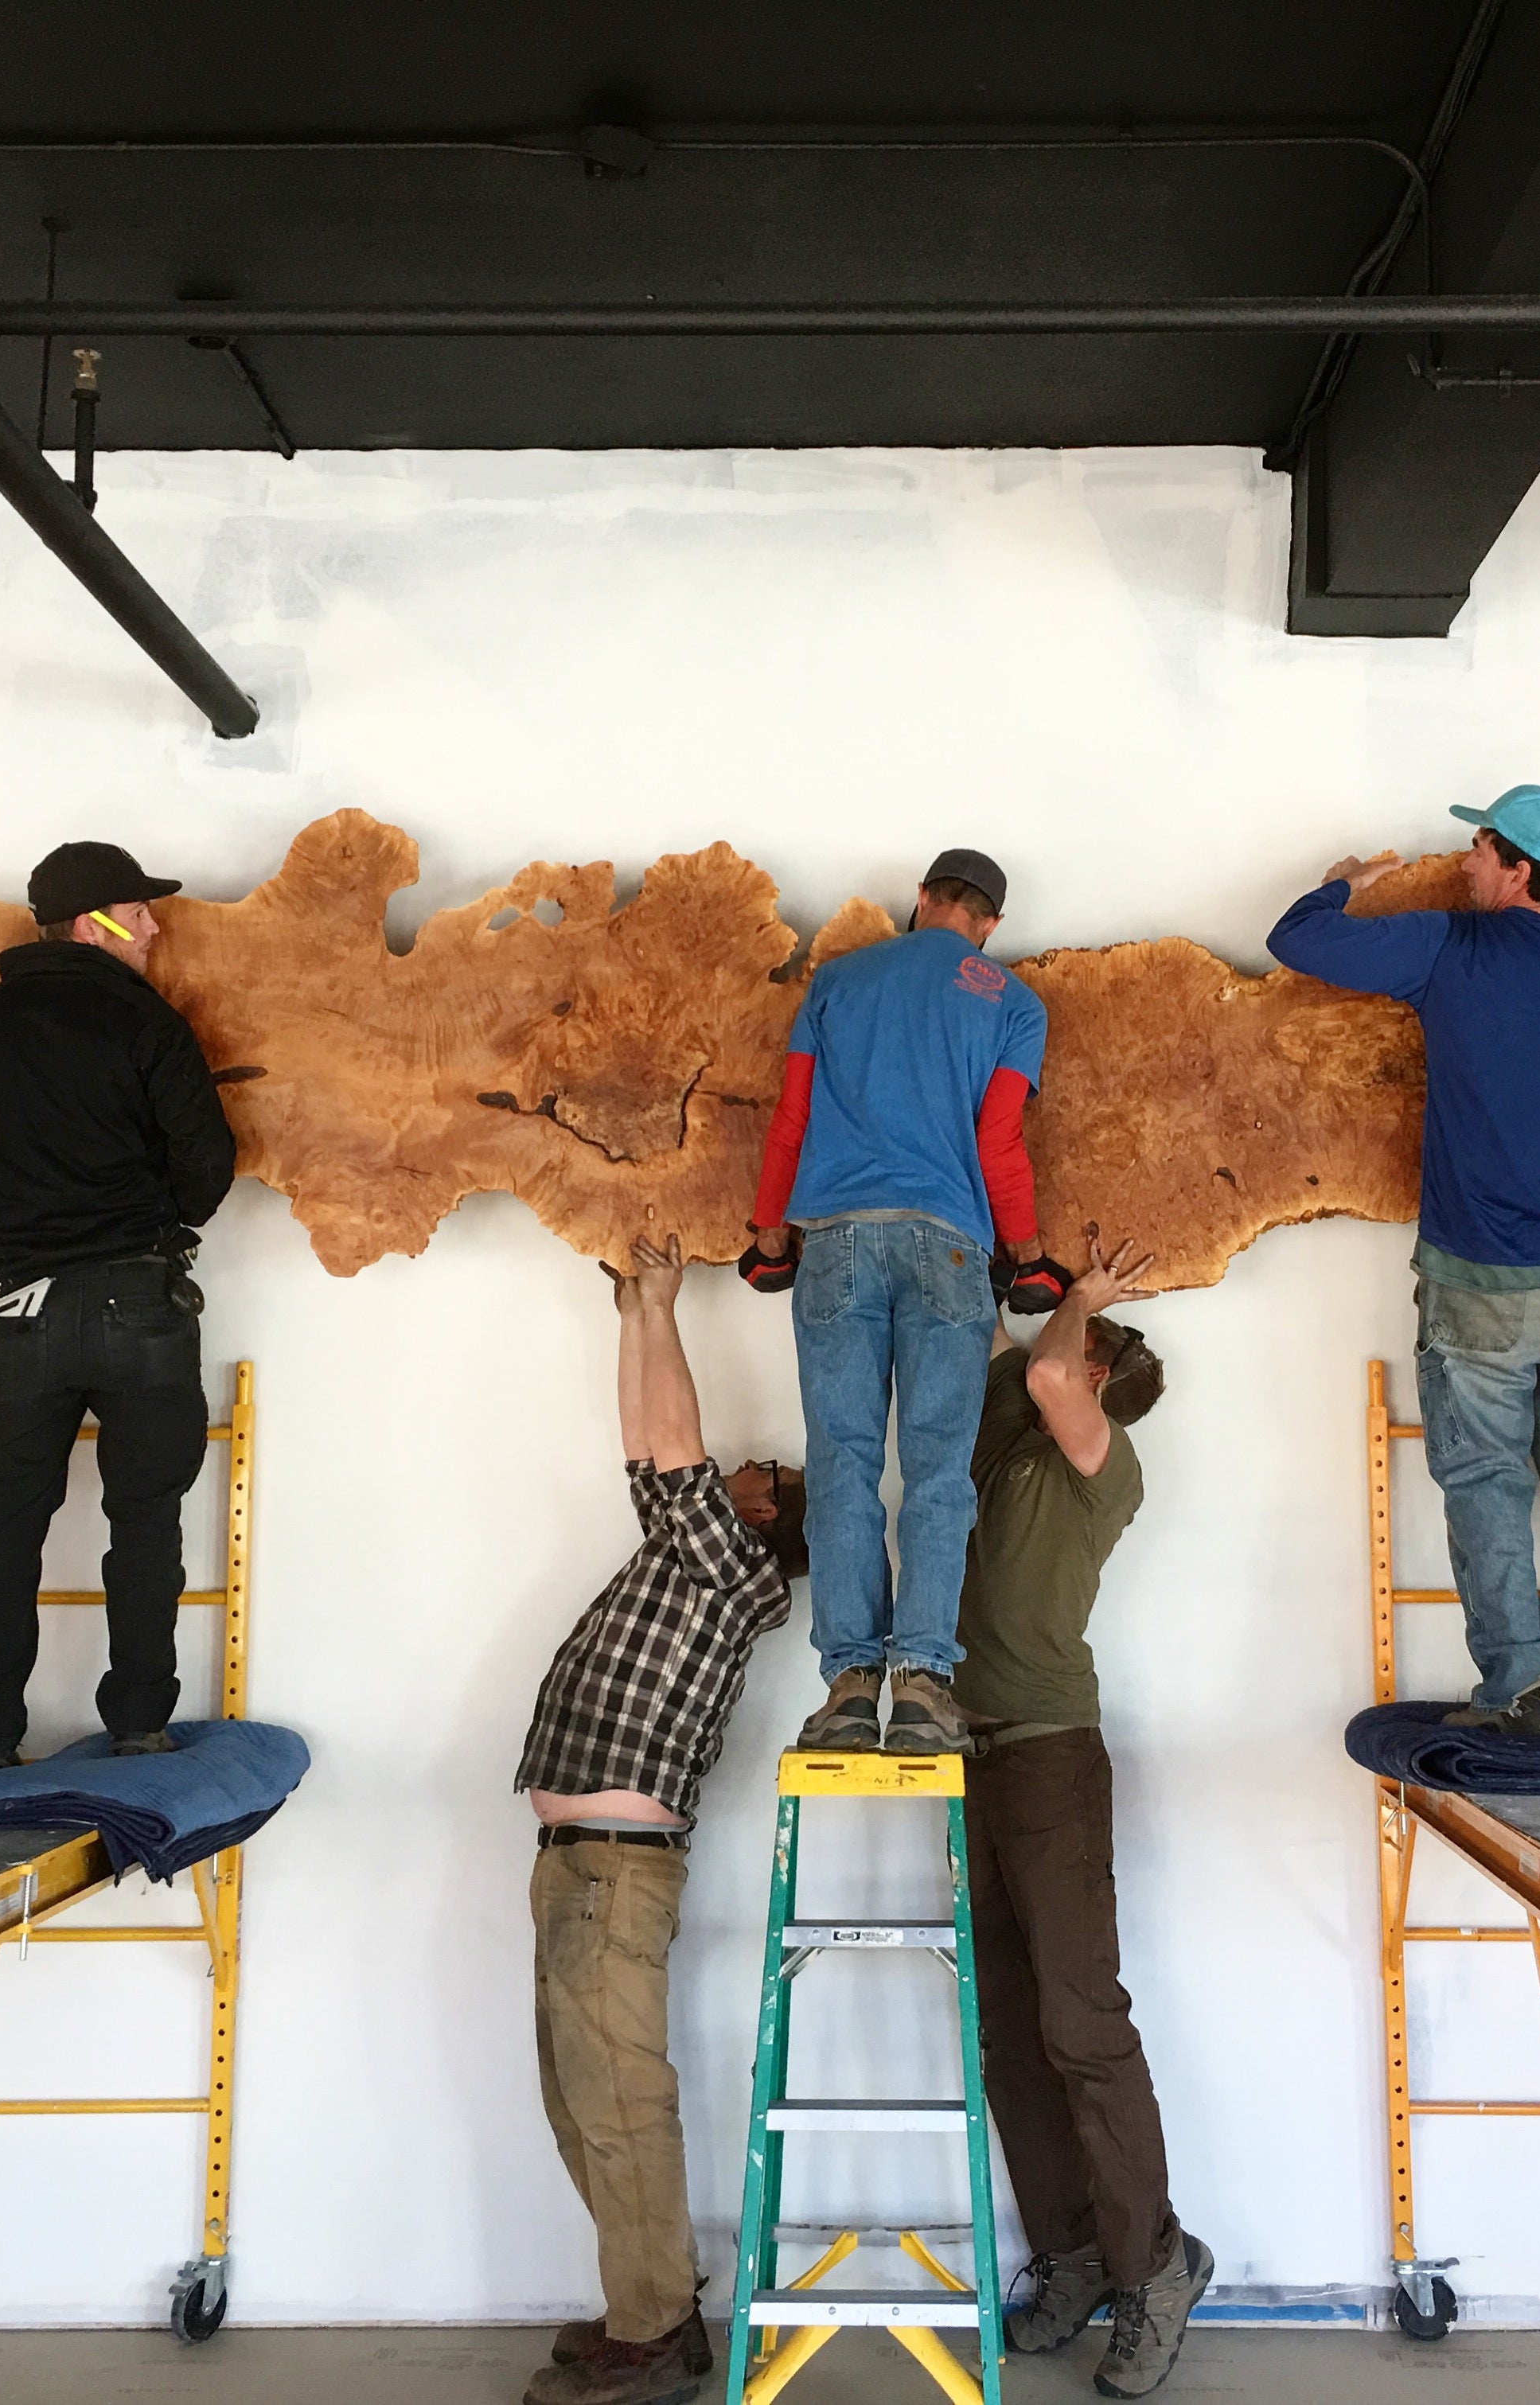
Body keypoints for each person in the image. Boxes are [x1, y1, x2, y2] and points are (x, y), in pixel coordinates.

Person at [1268, 785, 1540, 1736]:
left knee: (1485, 1486)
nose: (1464, 862)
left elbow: (1294, 941)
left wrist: (1340, 884)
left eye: (1477, 849)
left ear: (1514, 867)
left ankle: (1523, 1686)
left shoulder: (1452, 948)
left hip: (1475, 1287)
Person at [513, 1235, 805, 2405]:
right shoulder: (688, 1551)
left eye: (760, 1472)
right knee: (578, 2099)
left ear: (765, 1521)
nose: (740, 1462)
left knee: (621, 2102)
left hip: (613, 1873)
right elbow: (647, 1443)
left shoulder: (736, 1573)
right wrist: (634, 1310)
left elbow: (675, 1449)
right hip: (576, 1869)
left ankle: (652, 2330)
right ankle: (653, 2304)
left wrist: (671, 1303)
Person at [958, 1234, 1213, 2399]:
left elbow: (1055, 1370)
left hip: (1053, 1756)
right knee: (1008, 2029)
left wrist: (1092, 1300)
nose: (1055, 1343)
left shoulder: (1101, 1464)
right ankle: (1068, 2253)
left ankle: (1155, 2263)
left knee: (1080, 2022)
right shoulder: (1009, 1441)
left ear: (1103, 1377)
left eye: (1082, 1342)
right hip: (968, 1755)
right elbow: (1015, 1353)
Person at [741, 847, 1061, 1757]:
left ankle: (848, 1684)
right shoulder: (1012, 1003)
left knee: (839, 1462)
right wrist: (1031, 1259)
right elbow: (998, 1141)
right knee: (937, 1470)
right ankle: (922, 1682)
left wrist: (770, 1236)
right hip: (950, 1248)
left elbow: (791, 1118)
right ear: (989, 922)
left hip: (836, 1241)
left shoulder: (838, 981)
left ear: (920, 901)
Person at [0, 842, 235, 1772]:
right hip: (137, 1300)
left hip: (18, 1310)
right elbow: (206, 1163)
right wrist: (147, 1218)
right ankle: (137, 1723)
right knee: (144, 1515)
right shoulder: (143, 1021)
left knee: (6, 1520)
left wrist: (32, 1222)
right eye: (137, 912)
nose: (152, 927)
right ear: (92, 922)